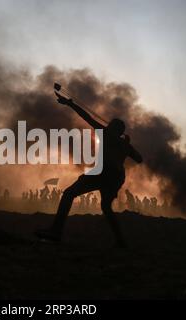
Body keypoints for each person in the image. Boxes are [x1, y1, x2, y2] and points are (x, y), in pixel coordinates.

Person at [36, 92, 143, 247]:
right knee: (106, 207)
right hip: (117, 177)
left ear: (112, 128)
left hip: (103, 172)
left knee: (69, 194)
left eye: (110, 125)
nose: (108, 126)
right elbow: (139, 159)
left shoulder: (105, 133)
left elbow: (87, 117)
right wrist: (127, 144)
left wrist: (70, 103)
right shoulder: (124, 144)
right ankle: (121, 241)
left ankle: (56, 231)